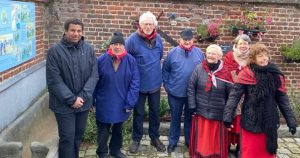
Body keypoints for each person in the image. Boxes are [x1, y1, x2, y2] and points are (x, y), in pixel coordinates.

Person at [223, 43, 298, 158]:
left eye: (266, 55)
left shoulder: (275, 74)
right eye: (260, 56)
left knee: (266, 152)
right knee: (250, 152)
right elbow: (234, 97)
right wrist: (227, 117)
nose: (264, 58)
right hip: (251, 120)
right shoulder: (246, 73)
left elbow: (283, 100)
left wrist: (291, 121)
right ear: (253, 59)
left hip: (269, 121)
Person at [46, 18, 99, 158]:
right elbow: (54, 81)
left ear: (82, 32)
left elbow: (94, 75)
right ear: (65, 31)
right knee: (67, 138)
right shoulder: (55, 51)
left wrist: (82, 96)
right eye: (73, 30)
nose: (76, 34)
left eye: (79, 31)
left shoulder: (88, 49)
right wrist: (71, 99)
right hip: (63, 105)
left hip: (83, 103)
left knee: (78, 136)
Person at [94, 32, 140, 158]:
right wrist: (92, 101)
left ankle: (115, 150)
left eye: (120, 44)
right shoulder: (101, 60)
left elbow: (135, 84)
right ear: (110, 45)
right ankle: (102, 151)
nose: (117, 47)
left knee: (118, 128)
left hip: (122, 101)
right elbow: (94, 82)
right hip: (104, 101)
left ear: (124, 46)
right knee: (103, 129)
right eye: (115, 44)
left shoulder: (131, 61)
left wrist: (130, 102)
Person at [125, 11, 166, 153]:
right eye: (145, 24)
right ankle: (136, 139)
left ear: (154, 25)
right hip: (138, 85)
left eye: (150, 24)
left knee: (155, 112)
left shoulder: (159, 39)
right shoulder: (132, 39)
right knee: (138, 113)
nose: (148, 26)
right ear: (140, 25)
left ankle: (154, 138)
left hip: (155, 84)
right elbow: (126, 60)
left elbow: (159, 56)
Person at [162, 28, 205, 153]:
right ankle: (172, 142)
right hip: (175, 93)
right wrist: (168, 86)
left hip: (192, 94)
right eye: (184, 39)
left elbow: (203, 72)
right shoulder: (172, 53)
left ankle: (189, 141)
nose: (187, 42)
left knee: (189, 119)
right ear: (180, 39)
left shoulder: (199, 53)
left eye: (189, 39)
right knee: (175, 118)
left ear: (193, 40)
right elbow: (165, 70)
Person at [188, 44, 233, 158]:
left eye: (214, 53)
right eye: (209, 53)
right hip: (201, 110)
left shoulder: (226, 72)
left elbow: (231, 94)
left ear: (219, 56)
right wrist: (192, 105)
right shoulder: (199, 68)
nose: (211, 55)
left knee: (214, 139)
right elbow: (191, 87)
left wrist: (228, 112)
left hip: (218, 112)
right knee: (202, 138)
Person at [222, 34, 251, 156]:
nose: (243, 46)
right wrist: (240, 79)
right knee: (230, 119)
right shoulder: (229, 56)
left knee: (242, 122)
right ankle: (227, 145)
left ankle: (240, 146)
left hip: (247, 95)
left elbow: (253, 73)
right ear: (236, 45)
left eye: (245, 43)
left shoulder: (251, 58)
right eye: (241, 43)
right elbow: (227, 72)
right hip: (231, 93)